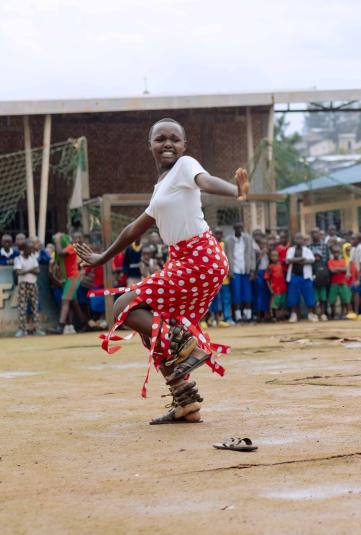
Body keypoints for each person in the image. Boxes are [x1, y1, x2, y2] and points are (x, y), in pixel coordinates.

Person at [75, 117, 246, 424]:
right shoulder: (161, 189)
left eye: (174, 139)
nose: (168, 143)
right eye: (160, 138)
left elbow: (205, 181)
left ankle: (188, 347)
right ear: (150, 145)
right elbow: (132, 230)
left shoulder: (185, 166)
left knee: (123, 305)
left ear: (184, 145)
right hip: (185, 260)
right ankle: (186, 404)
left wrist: (235, 190)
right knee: (152, 331)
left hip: (199, 257)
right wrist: (101, 257)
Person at [223, 222, 255, 323]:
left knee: (247, 293)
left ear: (242, 228)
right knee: (236, 294)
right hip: (235, 270)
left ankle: (248, 315)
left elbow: (252, 255)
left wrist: (252, 269)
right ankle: (238, 316)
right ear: (234, 229)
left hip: (246, 270)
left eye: (240, 228)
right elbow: (225, 255)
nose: (239, 230)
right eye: (237, 228)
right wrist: (228, 270)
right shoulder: (228, 240)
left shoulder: (248, 239)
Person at [13, 238, 42, 336]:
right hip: (23, 284)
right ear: (24, 249)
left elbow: (37, 271)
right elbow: (18, 272)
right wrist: (30, 269)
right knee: (22, 307)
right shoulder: (18, 258)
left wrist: (25, 270)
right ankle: (22, 330)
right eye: (29, 249)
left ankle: (37, 329)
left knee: (35, 306)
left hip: (33, 283)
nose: (31, 250)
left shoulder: (33, 257)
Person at [285, 233, 317, 323]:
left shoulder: (307, 250)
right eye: (297, 238)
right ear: (294, 240)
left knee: (309, 296)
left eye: (300, 239)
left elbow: (311, 260)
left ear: (303, 241)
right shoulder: (290, 250)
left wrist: (296, 260)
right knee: (293, 296)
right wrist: (301, 259)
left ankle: (311, 314)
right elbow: (288, 260)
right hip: (294, 276)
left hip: (306, 277)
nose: (299, 240)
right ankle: (294, 315)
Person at [58, 231, 85, 334]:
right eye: (75, 237)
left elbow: (60, 253)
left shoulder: (72, 247)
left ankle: (60, 325)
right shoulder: (72, 247)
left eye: (79, 237)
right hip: (71, 277)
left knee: (65, 300)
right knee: (73, 303)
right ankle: (84, 323)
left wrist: (57, 241)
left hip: (73, 277)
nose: (77, 239)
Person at [327, 245, 352, 319]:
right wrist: (341, 269)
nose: (336, 254)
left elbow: (345, 270)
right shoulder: (330, 261)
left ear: (340, 253)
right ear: (332, 253)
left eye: (337, 252)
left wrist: (337, 269)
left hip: (343, 282)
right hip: (334, 283)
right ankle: (333, 314)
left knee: (346, 300)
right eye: (334, 253)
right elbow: (332, 271)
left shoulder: (343, 261)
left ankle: (348, 314)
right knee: (332, 300)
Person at [265, 248, 287, 321]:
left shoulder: (281, 264)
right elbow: (267, 279)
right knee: (274, 303)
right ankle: (273, 317)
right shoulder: (270, 267)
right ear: (270, 257)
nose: (274, 257)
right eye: (273, 256)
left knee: (282, 302)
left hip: (283, 287)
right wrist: (270, 289)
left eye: (276, 256)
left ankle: (280, 316)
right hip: (275, 288)